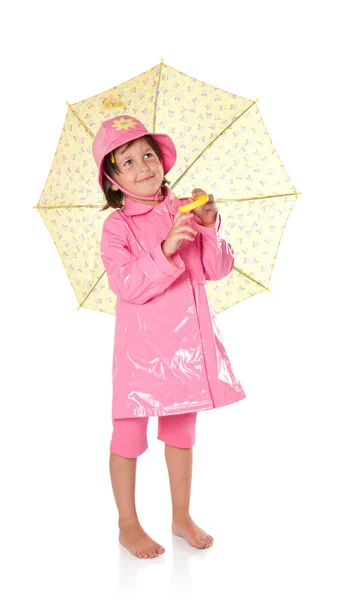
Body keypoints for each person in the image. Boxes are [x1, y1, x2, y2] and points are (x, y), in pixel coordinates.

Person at [92, 115, 246, 559]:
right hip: (141, 352)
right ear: (113, 181)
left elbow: (215, 270)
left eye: (148, 155)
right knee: (127, 436)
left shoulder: (184, 207)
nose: (143, 166)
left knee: (181, 432)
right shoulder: (117, 227)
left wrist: (208, 225)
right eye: (128, 162)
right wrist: (164, 250)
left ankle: (181, 515)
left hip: (186, 349)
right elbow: (125, 285)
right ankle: (128, 522)